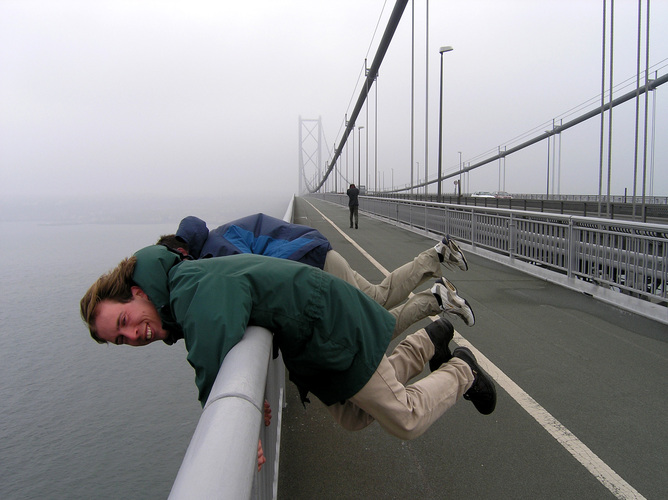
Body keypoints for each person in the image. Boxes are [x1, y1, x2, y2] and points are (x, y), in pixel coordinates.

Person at [80, 245, 496, 443]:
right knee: (353, 416)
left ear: (135, 293)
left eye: (124, 321)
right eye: (120, 339)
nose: (133, 335)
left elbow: (212, 340)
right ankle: (431, 338)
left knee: (405, 417)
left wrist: (228, 431)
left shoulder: (186, 287)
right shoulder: (181, 288)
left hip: (329, 326)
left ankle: (462, 369)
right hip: (315, 341)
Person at [157, 214, 475, 334]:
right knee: (377, 297)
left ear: (183, 253)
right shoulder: (218, 236)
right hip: (314, 253)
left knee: (372, 325)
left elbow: (250, 282)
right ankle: (436, 256)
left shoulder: (217, 254)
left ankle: (435, 298)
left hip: (312, 265)